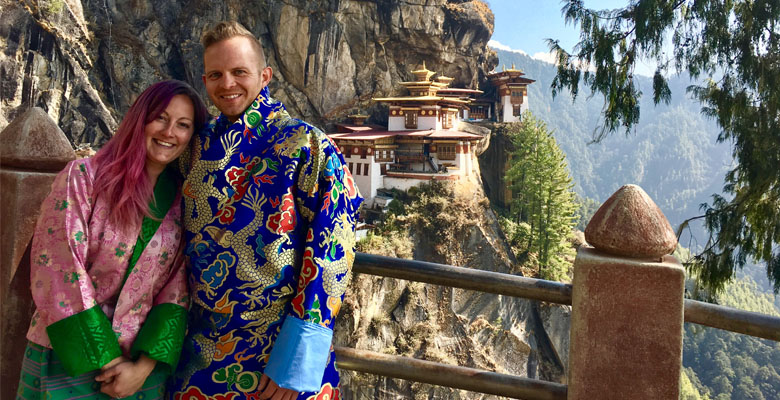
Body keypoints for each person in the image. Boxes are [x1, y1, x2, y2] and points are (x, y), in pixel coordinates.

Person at [170, 21, 362, 400]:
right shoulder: (192, 147)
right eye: (215, 74)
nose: (227, 84)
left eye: (239, 72)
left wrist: (297, 360)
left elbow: (332, 246)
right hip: (200, 350)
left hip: (276, 350)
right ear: (204, 80)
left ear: (264, 75)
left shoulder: (306, 144)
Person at [16, 80, 209, 400]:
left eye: (183, 125)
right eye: (160, 117)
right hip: (68, 354)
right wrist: (108, 358)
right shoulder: (84, 178)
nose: (169, 132)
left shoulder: (181, 201)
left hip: (138, 375)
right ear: (140, 119)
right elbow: (59, 269)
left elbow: (177, 292)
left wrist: (141, 369)